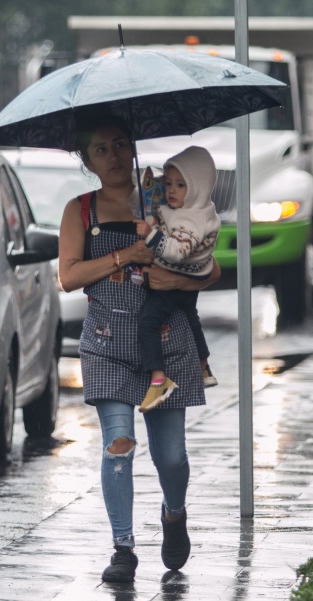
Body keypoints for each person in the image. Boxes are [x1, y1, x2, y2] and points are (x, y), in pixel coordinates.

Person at [57, 109, 221, 583]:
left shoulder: (167, 201)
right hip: (106, 346)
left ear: (133, 147)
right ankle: (123, 548)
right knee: (118, 446)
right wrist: (124, 255)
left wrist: (176, 276)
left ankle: (174, 512)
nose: (112, 156)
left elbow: (212, 267)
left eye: (120, 144)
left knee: (171, 455)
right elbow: (68, 276)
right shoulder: (80, 211)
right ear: (86, 160)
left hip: (165, 347)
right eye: (100, 149)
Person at [133, 148, 221, 411]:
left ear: (197, 188)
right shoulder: (195, 208)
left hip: (176, 276)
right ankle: (204, 366)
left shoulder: (191, 218)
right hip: (194, 276)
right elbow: (166, 222)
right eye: (169, 183)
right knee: (191, 317)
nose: (172, 191)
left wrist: (150, 234)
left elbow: (177, 251)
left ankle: (158, 379)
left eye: (181, 185)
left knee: (148, 322)